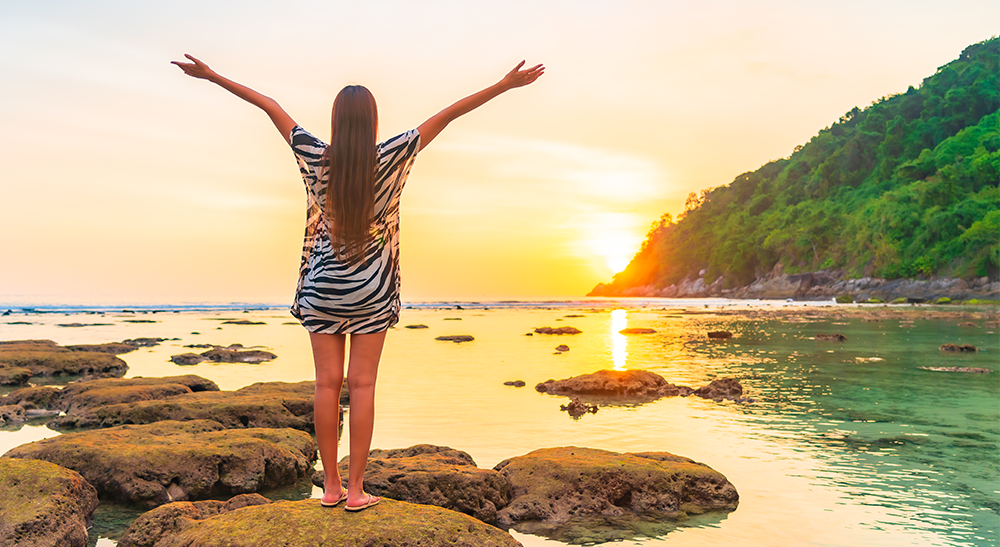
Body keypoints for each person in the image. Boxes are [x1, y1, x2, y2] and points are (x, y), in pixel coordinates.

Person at [172, 54, 544, 512]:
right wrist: (504, 85)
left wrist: (211, 76)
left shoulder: (314, 154)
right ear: (372, 122)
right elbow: (449, 112)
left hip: (322, 287)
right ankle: (355, 491)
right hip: (372, 287)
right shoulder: (393, 153)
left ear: (334, 121)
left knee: (326, 386)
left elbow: (269, 104)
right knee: (362, 386)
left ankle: (328, 488)